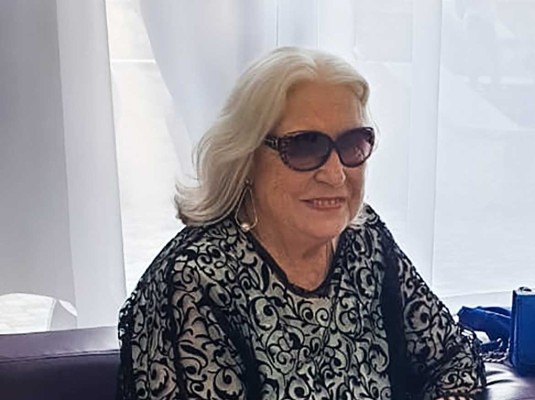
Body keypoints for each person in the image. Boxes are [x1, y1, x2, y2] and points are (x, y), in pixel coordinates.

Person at [117, 47, 486, 400]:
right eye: (306, 146)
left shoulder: (363, 239)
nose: (335, 174)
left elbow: (452, 359)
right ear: (247, 157)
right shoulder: (194, 279)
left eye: (353, 144)